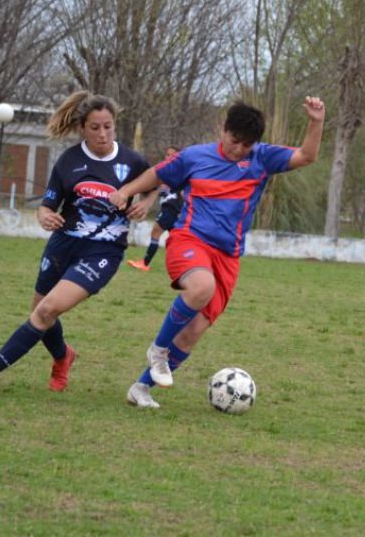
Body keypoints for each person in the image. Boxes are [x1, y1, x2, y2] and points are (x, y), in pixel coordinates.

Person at [110, 97, 326, 409]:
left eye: (246, 145)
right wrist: (127, 191)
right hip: (189, 240)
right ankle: (158, 351)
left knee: (192, 332)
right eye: (234, 141)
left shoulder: (261, 159)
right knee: (201, 287)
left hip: (228, 256)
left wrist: (316, 121)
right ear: (223, 130)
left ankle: (141, 388)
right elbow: (158, 173)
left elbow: (307, 155)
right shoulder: (195, 157)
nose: (239, 149)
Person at [0, 91, 156, 392]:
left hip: (102, 252)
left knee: (45, 311)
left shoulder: (132, 161)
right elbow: (48, 204)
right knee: (42, 310)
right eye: (95, 127)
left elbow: (159, 181)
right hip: (62, 245)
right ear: (83, 128)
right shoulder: (69, 161)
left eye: (108, 126)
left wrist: (147, 203)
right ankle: (63, 356)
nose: (103, 134)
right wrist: (43, 216)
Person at [126, 146, 183, 271]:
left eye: (172, 155)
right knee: (177, 238)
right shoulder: (164, 172)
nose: (168, 157)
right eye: (167, 154)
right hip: (168, 208)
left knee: (156, 231)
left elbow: (184, 192)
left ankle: (145, 263)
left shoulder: (180, 172)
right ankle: (185, 263)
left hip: (171, 208)